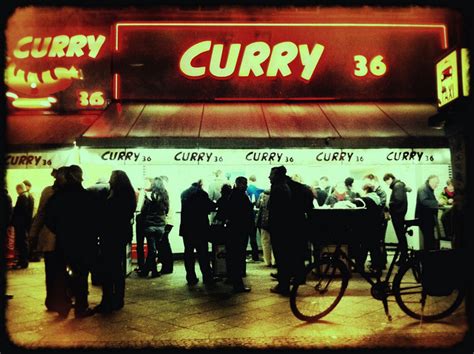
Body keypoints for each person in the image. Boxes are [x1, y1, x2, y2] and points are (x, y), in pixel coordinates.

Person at [45, 165, 98, 318]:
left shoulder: (57, 197)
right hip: (83, 242)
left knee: (61, 274)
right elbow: (96, 221)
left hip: (63, 241)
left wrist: (61, 231)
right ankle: (81, 307)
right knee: (81, 274)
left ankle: (63, 306)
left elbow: (49, 220)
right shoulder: (87, 197)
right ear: (80, 177)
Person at [94, 170, 137, 314]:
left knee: (107, 268)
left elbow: (106, 217)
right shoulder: (129, 196)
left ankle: (107, 300)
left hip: (110, 235)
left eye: (111, 178)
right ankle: (118, 298)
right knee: (118, 268)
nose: (109, 181)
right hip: (122, 235)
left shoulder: (114, 198)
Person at [269, 166, 312, 296]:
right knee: (293, 255)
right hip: (295, 227)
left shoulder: (279, 187)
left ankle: (283, 285)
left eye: (271, 174)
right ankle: (296, 278)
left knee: (282, 257)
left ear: (277, 175)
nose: (269, 177)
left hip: (281, 229)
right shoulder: (297, 187)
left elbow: (277, 210)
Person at [29, 167, 68, 311]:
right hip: (54, 238)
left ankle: (54, 299)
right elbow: (40, 214)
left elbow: (40, 214)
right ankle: (55, 299)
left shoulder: (51, 191)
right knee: (55, 270)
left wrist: (33, 233)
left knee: (53, 270)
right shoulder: (51, 192)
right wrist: (33, 233)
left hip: (55, 238)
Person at [179, 179, 216, 286]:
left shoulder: (184, 193)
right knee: (203, 253)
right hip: (200, 228)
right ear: (200, 185)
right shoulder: (201, 193)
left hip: (186, 229)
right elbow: (210, 207)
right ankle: (207, 277)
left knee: (188, 253)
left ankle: (191, 277)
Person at [225, 177, 254, 293]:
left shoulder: (233, 195)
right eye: (245, 183)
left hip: (234, 229)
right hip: (240, 230)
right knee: (238, 256)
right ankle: (238, 284)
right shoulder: (240, 196)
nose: (246, 186)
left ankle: (233, 279)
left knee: (233, 256)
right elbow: (244, 213)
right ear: (239, 184)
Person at [138, 177, 169, 278]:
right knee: (154, 249)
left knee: (152, 250)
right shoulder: (164, 195)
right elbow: (167, 209)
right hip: (160, 226)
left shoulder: (149, 195)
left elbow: (143, 211)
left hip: (150, 226)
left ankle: (147, 271)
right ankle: (152, 271)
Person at [353, 184, 385, 274]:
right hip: (376, 226)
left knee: (363, 248)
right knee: (374, 248)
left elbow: (354, 203)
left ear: (365, 190)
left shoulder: (366, 200)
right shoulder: (377, 198)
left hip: (367, 227)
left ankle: (359, 267)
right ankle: (377, 268)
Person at [383, 173, 411, 263]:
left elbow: (398, 200)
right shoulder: (399, 185)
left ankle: (403, 258)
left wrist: (389, 204)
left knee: (401, 237)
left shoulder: (397, 186)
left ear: (390, 178)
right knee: (401, 236)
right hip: (399, 214)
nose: (387, 183)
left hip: (398, 214)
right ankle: (404, 257)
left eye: (387, 181)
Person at [87, 177, 110, 286]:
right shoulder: (110, 188)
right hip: (106, 223)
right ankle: (105, 277)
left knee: (93, 251)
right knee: (106, 251)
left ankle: (95, 276)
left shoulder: (89, 189)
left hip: (92, 223)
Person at [11, 182, 34, 269]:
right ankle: (24, 261)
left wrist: (13, 221)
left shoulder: (22, 197)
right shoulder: (30, 196)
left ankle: (23, 262)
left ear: (19, 189)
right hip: (26, 224)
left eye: (17, 190)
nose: (17, 192)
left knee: (22, 243)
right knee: (24, 243)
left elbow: (19, 212)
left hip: (21, 224)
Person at [416, 175, 441, 250]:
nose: (436, 185)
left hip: (427, 219)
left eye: (437, 183)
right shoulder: (423, 189)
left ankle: (429, 259)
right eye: (435, 183)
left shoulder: (427, 188)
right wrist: (437, 203)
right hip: (425, 219)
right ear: (430, 181)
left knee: (429, 239)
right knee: (429, 240)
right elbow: (424, 201)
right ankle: (428, 259)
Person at [246, 175, 264, 262]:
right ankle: (258, 256)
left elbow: (251, 202)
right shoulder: (260, 190)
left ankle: (254, 256)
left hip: (250, 216)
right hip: (259, 215)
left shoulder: (249, 189)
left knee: (251, 237)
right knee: (260, 237)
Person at [256, 189, 275, 267]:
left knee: (265, 242)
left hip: (264, 222)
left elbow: (257, 205)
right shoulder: (276, 195)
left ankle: (267, 261)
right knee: (275, 242)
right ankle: (275, 261)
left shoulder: (262, 195)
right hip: (274, 222)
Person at [23, 179, 39, 262]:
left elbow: (33, 209)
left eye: (24, 185)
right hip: (32, 218)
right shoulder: (30, 195)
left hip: (32, 219)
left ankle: (32, 256)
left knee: (30, 238)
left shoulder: (30, 195)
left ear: (28, 186)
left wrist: (31, 219)